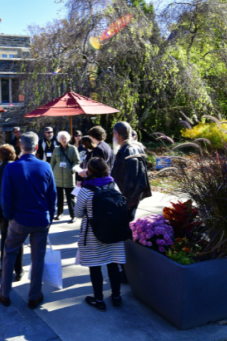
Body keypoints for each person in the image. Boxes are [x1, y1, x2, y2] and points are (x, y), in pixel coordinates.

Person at [0, 132, 56, 310]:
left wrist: (10, 216)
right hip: (40, 219)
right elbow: (52, 195)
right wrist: (49, 217)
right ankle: (34, 296)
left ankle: (5, 293)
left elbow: (6, 197)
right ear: (36, 147)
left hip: (19, 220)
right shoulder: (45, 166)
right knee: (38, 259)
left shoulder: (12, 168)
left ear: (21, 146)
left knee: (9, 256)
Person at [74, 158, 127, 312]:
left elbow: (78, 213)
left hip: (93, 233)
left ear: (89, 172)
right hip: (114, 231)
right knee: (113, 264)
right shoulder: (113, 184)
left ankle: (99, 300)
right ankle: (116, 297)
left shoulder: (85, 190)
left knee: (95, 266)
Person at [0, 144, 22, 281]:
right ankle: (19, 270)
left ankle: (5, 269)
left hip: (4, 210)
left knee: (5, 241)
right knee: (18, 241)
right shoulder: (19, 168)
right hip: (18, 209)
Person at [110, 122, 152, 220]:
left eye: (113, 133)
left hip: (127, 199)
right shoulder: (132, 148)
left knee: (125, 228)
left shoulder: (128, 150)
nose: (113, 136)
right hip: (127, 198)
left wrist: (123, 201)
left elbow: (131, 180)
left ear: (117, 134)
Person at [49, 131, 80, 223]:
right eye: (62, 138)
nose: (63, 140)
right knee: (59, 197)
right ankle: (59, 213)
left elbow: (77, 161)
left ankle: (73, 215)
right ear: (59, 139)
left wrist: (73, 169)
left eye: (65, 138)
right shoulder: (56, 149)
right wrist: (51, 173)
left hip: (69, 176)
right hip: (57, 176)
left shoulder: (73, 149)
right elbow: (52, 162)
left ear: (68, 139)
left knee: (70, 197)